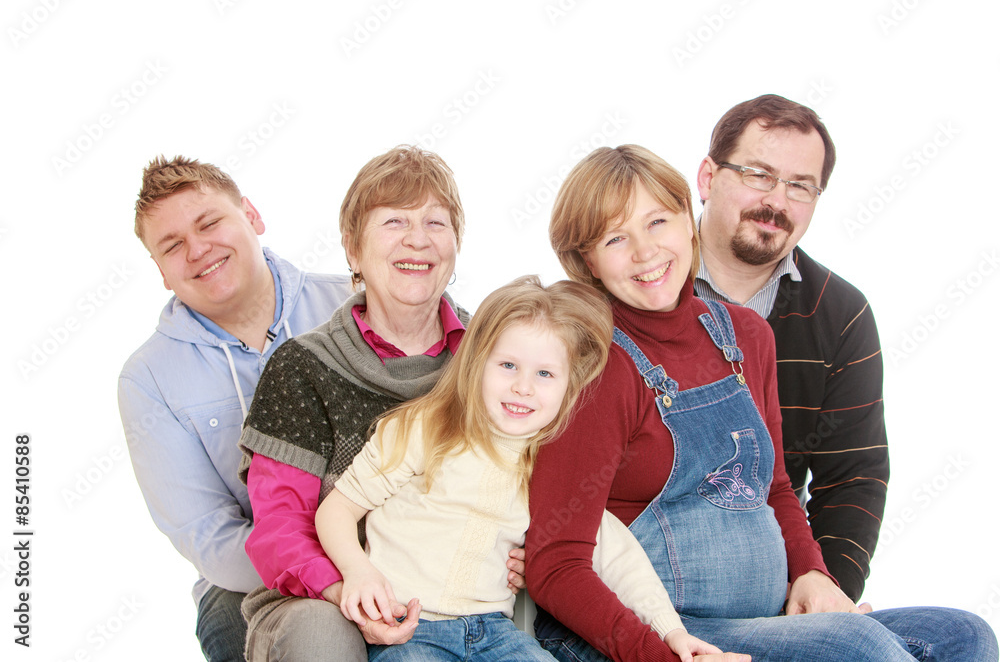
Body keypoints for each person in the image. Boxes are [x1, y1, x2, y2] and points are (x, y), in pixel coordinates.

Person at [525, 144, 998, 662]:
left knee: (964, 635)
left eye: (657, 221)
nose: (645, 251)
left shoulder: (744, 336)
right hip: (659, 628)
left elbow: (772, 487)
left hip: (759, 620)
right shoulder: (593, 363)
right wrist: (662, 653)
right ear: (587, 262)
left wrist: (811, 571)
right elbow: (555, 564)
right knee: (859, 649)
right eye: (615, 238)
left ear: (688, 221)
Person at [317, 275, 727, 662]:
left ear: (570, 385)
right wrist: (357, 572)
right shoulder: (424, 427)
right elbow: (338, 509)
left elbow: (617, 555)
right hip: (409, 625)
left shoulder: (554, 463)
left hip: (494, 632)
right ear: (477, 361)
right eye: (508, 366)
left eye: (545, 373)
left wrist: (670, 630)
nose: (523, 387)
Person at [236, 146, 520, 661]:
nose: (418, 239)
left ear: (455, 244)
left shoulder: (499, 360)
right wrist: (350, 591)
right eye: (394, 222)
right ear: (353, 249)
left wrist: (530, 551)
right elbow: (281, 527)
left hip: (462, 603)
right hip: (324, 595)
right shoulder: (303, 368)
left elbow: (538, 479)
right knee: (323, 636)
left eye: (435, 222)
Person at [117, 155, 352, 660]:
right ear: (160, 271)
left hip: (389, 543)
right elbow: (206, 533)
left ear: (251, 215)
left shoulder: (354, 303)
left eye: (209, 224)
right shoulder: (148, 378)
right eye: (172, 246)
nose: (197, 250)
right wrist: (331, 573)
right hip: (246, 579)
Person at [693, 94, 885, 601]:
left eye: (800, 186)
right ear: (708, 178)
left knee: (961, 634)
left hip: (773, 580)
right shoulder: (634, 285)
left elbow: (853, 478)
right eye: (759, 174)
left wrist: (824, 589)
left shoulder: (841, 314)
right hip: (643, 581)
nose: (777, 201)